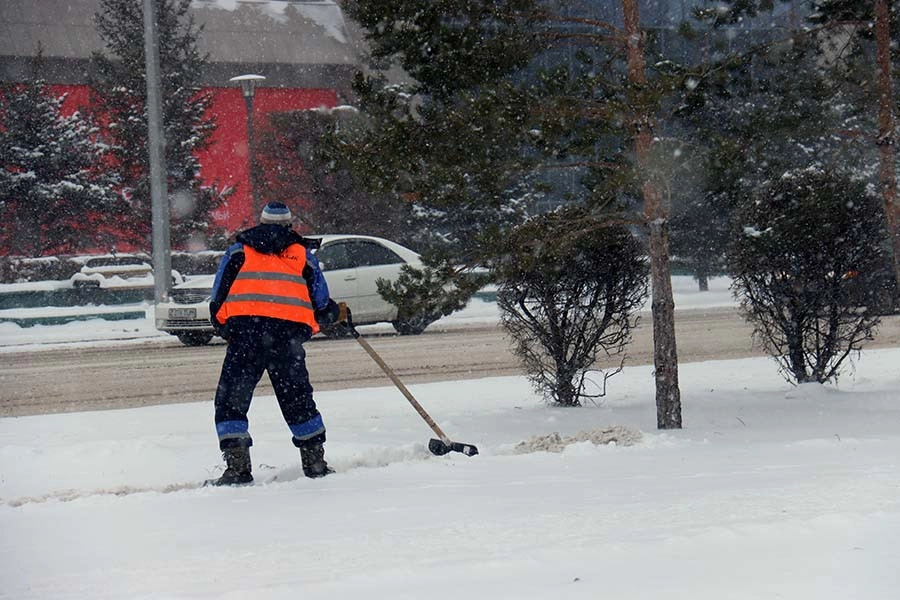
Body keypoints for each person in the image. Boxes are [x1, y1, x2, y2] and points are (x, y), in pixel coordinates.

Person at [205, 201, 346, 486]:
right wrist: (334, 314)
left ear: (261, 222)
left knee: (232, 399)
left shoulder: (238, 252)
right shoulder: (303, 256)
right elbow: (320, 302)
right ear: (289, 225)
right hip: (287, 340)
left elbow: (218, 296)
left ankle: (238, 468)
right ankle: (315, 463)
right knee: (298, 399)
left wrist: (225, 327)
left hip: (245, 336)